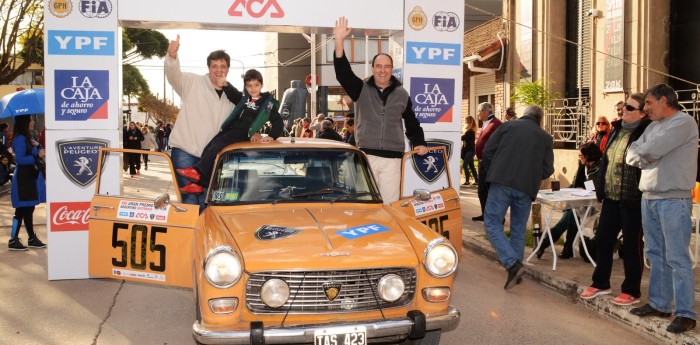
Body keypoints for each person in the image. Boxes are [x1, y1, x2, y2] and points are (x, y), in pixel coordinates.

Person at [626, 84, 698, 333]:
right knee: (655, 253)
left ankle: (686, 313)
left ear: (664, 101)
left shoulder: (683, 123)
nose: (645, 108)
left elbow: (651, 150)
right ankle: (659, 303)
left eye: (648, 103)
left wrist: (646, 153)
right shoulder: (653, 126)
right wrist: (647, 154)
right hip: (650, 197)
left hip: (673, 200)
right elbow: (631, 154)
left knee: (677, 257)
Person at [333, 17, 428, 204]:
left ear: (392, 69)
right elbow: (343, 73)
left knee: (390, 205)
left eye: (387, 67)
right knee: (365, 204)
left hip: (393, 159)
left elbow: (411, 121)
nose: (382, 70)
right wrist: (339, 41)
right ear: (373, 68)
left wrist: (419, 142)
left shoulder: (402, 94)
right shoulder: (360, 89)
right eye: (378, 66)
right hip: (366, 156)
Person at [577, 93, 651, 306]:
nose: (623, 110)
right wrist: (600, 190)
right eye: (624, 106)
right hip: (610, 197)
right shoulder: (616, 130)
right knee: (602, 240)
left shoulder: (645, 131)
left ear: (642, 113)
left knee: (631, 246)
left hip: (632, 199)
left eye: (629, 107)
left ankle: (631, 290)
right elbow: (606, 161)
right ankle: (600, 283)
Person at [165, 34, 242, 208]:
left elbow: (247, 118)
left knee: (210, 201)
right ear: (209, 68)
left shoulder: (234, 95)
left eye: (223, 66)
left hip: (215, 157)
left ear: (228, 69)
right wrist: (171, 56)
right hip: (187, 151)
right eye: (214, 66)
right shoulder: (192, 82)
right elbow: (173, 75)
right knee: (190, 201)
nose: (219, 70)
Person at [176, 69, 283, 194]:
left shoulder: (267, 104)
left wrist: (271, 136)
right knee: (210, 147)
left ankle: (197, 171)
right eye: (249, 85)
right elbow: (233, 94)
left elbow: (278, 121)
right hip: (231, 129)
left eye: (256, 85)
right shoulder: (244, 98)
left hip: (243, 133)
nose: (253, 89)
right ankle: (199, 184)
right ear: (245, 86)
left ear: (262, 85)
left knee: (216, 146)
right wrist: (225, 84)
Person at [482, 105, 554, 290]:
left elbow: (487, 151)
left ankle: (513, 264)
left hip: (501, 182)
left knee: (492, 223)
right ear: (540, 119)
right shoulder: (545, 137)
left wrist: (495, 170)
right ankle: (515, 270)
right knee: (518, 229)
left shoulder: (507, 126)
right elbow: (548, 169)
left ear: (524, 115)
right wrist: (532, 175)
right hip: (526, 188)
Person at [536, 142, 602, 260]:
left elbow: (596, 189)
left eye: (581, 155)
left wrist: (584, 188)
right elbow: (575, 184)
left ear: (588, 156)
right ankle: (566, 247)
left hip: (594, 204)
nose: (579, 157)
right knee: (571, 215)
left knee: (571, 215)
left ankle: (545, 243)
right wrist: (563, 191)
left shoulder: (599, 167)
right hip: (579, 202)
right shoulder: (583, 166)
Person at [9, 115, 46, 250]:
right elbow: (19, 159)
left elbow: (37, 150)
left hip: (30, 177)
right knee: (21, 210)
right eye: (30, 120)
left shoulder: (29, 136)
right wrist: (36, 155)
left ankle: (31, 238)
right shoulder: (20, 138)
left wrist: (38, 146)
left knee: (29, 208)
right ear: (24, 122)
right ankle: (13, 239)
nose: (33, 122)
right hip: (23, 179)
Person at [473, 102, 502, 221]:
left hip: (490, 162)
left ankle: (497, 217)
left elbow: (500, 143)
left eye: (479, 111)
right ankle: (485, 214)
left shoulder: (496, 123)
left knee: (491, 190)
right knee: (482, 190)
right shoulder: (486, 123)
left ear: (485, 112)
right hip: (482, 162)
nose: (478, 114)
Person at [461, 115, 478, 186]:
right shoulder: (467, 130)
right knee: (471, 166)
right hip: (468, 150)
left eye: (466, 120)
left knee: (465, 165)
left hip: (470, 150)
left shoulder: (471, 131)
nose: (465, 121)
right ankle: (477, 180)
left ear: (469, 121)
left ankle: (467, 181)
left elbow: (463, 138)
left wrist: (461, 135)